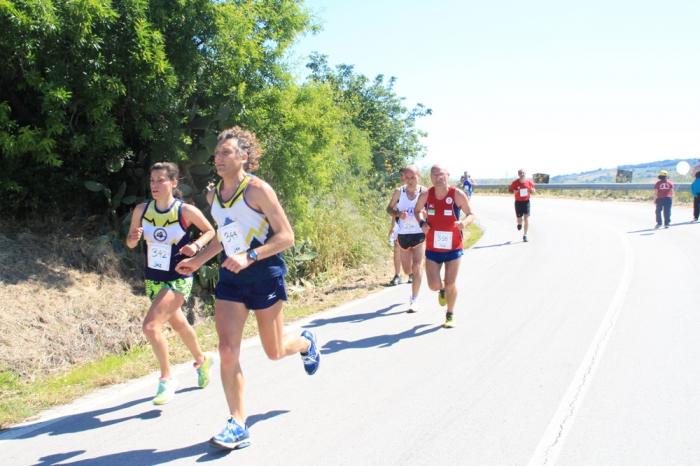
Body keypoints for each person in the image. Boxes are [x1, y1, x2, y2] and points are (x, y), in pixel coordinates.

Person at [175, 127, 320, 450]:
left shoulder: (258, 190)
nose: (219, 158)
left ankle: (304, 343)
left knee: (274, 351)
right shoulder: (213, 196)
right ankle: (238, 424)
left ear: (244, 157)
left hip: (264, 275)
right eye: (216, 153)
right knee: (227, 350)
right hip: (231, 279)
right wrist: (198, 261)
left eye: (226, 153)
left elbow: (286, 236)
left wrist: (250, 255)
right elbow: (225, 237)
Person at [126, 162, 216, 405]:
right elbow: (132, 243)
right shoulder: (141, 210)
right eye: (152, 180)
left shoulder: (185, 211)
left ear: (173, 183)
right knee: (179, 325)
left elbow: (211, 232)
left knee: (150, 327)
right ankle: (202, 360)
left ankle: (167, 379)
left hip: (179, 276)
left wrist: (196, 247)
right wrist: (133, 238)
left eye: (160, 180)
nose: (154, 185)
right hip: (153, 279)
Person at [415, 164, 475, 328]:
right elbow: (417, 210)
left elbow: (471, 214)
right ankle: (442, 290)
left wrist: (464, 223)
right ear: (430, 178)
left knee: (451, 282)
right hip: (433, 247)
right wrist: (422, 222)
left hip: (454, 246)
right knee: (433, 285)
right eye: (434, 175)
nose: (437, 178)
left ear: (447, 175)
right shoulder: (426, 194)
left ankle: (450, 314)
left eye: (440, 174)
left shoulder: (457, 194)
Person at [386, 165, 426, 312]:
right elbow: (389, 209)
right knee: (408, 269)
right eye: (407, 178)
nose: (409, 181)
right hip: (403, 234)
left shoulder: (425, 192)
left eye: (413, 177)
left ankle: (414, 299)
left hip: (419, 232)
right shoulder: (399, 192)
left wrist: (426, 214)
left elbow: (433, 208)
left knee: (417, 265)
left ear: (418, 176)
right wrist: (398, 214)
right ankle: (414, 272)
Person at [389, 168, 406, 286]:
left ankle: (411, 273)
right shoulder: (398, 192)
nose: (403, 178)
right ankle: (397, 275)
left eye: (406, 175)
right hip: (400, 224)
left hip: (414, 226)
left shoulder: (418, 191)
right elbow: (393, 210)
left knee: (411, 250)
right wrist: (393, 226)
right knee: (396, 248)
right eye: (401, 175)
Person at [508, 169, 536, 242]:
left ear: (525, 174)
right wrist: (514, 191)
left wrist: (532, 191)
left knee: (526, 218)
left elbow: (534, 191)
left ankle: (525, 235)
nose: (522, 174)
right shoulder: (515, 183)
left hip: (526, 202)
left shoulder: (529, 182)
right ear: (518, 174)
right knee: (520, 219)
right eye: (520, 173)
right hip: (518, 202)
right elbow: (510, 191)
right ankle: (519, 223)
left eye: (523, 173)